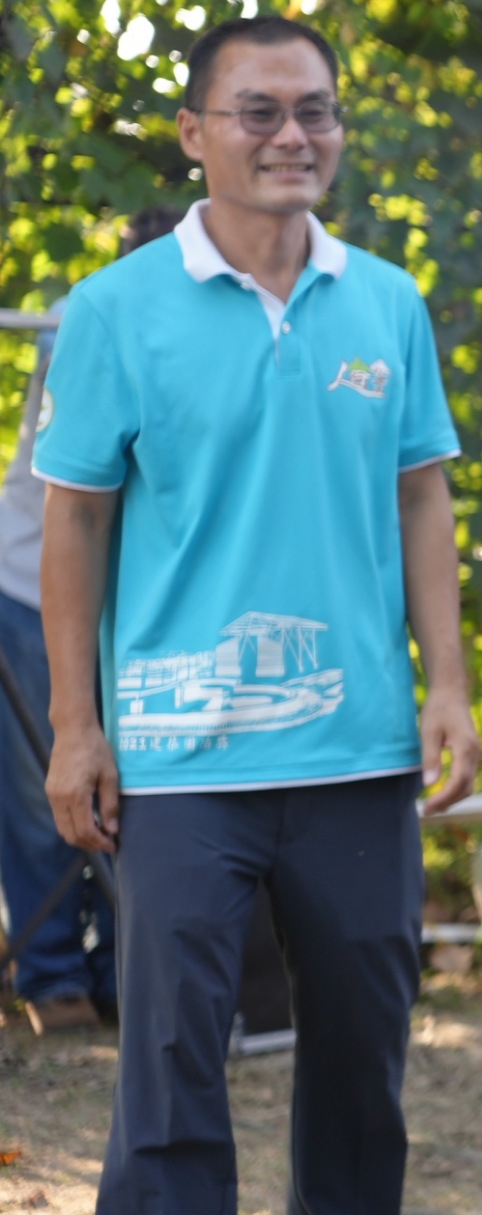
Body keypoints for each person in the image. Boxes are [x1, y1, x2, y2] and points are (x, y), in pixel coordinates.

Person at [35, 15, 481, 1213]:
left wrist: (446, 686)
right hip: (176, 761)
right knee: (170, 1066)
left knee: (362, 1065)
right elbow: (73, 523)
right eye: (260, 111)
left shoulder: (386, 301)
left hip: (359, 752)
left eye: (314, 110)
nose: (293, 135)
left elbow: (421, 496)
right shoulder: (113, 309)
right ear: (196, 133)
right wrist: (76, 726)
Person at [0, 207, 179, 1035]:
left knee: (135, 792)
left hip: (140, 606)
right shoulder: (89, 320)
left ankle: (119, 970)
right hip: (34, 590)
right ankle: (51, 975)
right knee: (47, 791)